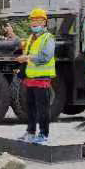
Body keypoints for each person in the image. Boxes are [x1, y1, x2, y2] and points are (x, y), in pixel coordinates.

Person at [15, 8, 56, 144]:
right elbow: (24, 48)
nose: (35, 23)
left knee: (43, 109)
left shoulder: (48, 38)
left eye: (38, 20)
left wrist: (27, 58)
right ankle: (31, 132)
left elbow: (46, 56)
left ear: (44, 22)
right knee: (30, 108)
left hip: (42, 79)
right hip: (30, 80)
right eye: (33, 20)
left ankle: (44, 135)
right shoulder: (31, 38)